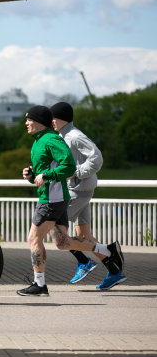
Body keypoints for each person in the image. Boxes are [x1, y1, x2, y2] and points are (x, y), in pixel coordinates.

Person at [17, 105, 124, 296]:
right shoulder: (42, 140)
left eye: (29, 120)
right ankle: (108, 255)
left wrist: (69, 176)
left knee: (35, 238)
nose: (26, 123)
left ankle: (41, 283)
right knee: (63, 242)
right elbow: (51, 166)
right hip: (63, 192)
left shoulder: (67, 137)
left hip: (68, 192)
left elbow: (86, 161)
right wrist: (33, 174)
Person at [51, 102, 127, 290]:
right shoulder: (63, 136)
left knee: (53, 226)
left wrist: (76, 172)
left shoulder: (75, 136)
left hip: (79, 189)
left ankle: (84, 261)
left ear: (61, 118)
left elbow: (96, 157)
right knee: (83, 236)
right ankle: (115, 271)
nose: (51, 121)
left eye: (52, 118)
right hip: (79, 189)